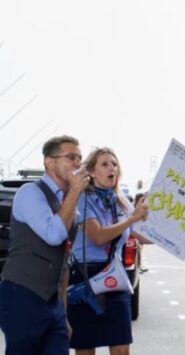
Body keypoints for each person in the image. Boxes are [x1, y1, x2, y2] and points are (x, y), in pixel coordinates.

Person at [0, 136, 88, 354]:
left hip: (53, 304)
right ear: (49, 162)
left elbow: (63, 262)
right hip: (22, 295)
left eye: (79, 158)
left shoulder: (69, 205)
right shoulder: (30, 193)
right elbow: (53, 235)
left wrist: (63, 312)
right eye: (71, 157)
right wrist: (75, 192)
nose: (78, 164)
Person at [67, 147, 149, 354]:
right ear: (92, 172)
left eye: (114, 164)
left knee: (121, 347)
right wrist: (131, 219)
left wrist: (184, 232)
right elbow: (99, 236)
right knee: (86, 348)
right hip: (86, 276)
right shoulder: (82, 199)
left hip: (115, 276)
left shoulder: (120, 201)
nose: (111, 168)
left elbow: (143, 234)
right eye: (104, 164)